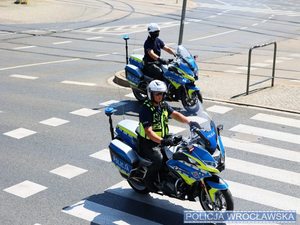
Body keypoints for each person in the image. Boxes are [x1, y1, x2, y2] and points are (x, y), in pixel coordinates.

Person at [137, 80, 197, 192]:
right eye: (157, 94)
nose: (160, 96)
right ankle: (149, 181)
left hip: (162, 138)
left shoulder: (163, 105)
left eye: (162, 93)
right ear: (151, 94)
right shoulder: (146, 109)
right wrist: (162, 141)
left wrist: (189, 122)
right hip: (148, 143)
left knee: (181, 147)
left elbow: (175, 114)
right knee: (158, 159)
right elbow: (149, 132)